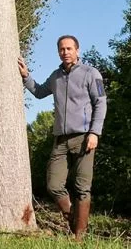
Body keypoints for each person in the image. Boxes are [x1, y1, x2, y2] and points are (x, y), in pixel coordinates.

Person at [19, 34, 106, 242]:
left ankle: (79, 237)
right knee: (53, 184)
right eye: (61, 49)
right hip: (60, 139)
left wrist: (95, 132)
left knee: (82, 188)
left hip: (84, 137)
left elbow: (101, 103)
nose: (65, 52)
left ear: (77, 50)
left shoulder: (90, 73)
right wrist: (25, 76)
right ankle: (74, 221)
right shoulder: (56, 76)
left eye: (69, 48)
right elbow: (39, 92)